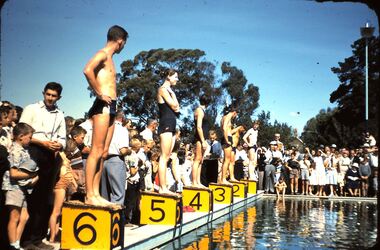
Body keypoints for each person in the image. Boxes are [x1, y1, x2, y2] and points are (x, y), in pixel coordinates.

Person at [83, 25, 128, 206]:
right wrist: (99, 93)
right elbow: (87, 70)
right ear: (120, 41)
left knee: (103, 152)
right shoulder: (102, 54)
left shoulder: (110, 58)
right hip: (102, 105)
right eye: (124, 43)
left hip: (111, 106)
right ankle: (89, 195)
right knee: (95, 151)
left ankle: (96, 194)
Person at [19, 82, 66, 250]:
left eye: (54, 96)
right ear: (43, 93)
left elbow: (63, 139)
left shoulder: (59, 114)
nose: (50, 98)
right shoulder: (31, 109)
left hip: (51, 156)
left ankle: (37, 238)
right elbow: (21, 134)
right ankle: (25, 240)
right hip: (33, 152)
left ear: (59, 97)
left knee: (45, 199)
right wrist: (42, 142)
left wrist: (57, 145)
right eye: (48, 94)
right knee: (31, 198)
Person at [2, 123, 39, 250]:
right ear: (21, 136)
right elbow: (13, 173)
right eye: (30, 137)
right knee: (14, 217)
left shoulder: (23, 150)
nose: (31, 139)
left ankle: (16, 243)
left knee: (25, 216)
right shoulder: (16, 151)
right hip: (14, 188)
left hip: (21, 188)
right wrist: (31, 175)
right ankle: (13, 245)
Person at [156, 69, 180, 194]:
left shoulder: (170, 91)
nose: (177, 79)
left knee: (168, 156)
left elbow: (177, 108)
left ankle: (164, 187)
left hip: (171, 124)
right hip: (165, 123)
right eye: (175, 77)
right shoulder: (162, 89)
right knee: (164, 157)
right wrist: (173, 97)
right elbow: (174, 106)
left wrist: (174, 95)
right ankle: (162, 187)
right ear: (168, 76)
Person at [48, 147, 78, 244]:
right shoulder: (59, 155)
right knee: (55, 212)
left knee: (59, 213)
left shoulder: (63, 155)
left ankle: (55, 234)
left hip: (64, 185)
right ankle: (52, 237)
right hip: (60, 185)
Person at [100, 111, 130, 205]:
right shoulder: (122, 130)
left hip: (103, 160)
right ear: (122, 118)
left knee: (104, 195)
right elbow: (123, 151)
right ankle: (114, 219)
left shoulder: (104, 128)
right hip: (116, 161)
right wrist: (130, 150)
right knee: (118, 195)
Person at [191, 94, 211, 188]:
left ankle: (198, 182)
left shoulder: (202, 110)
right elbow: (199, 127)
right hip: (199, 138)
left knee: (200, 160)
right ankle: (194, 182)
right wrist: (203, 141)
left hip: (203, 138)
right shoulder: (199, 110)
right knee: (197, 159)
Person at [220, 105, 238, 184]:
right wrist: (227, 139)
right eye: (236, 115)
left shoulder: (225, 117)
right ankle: (223, 179)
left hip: (228, 137)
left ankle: (231, 177)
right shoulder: (227, 117)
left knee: (229, 160)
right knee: (226, 160)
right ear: (234, 113)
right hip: (226, 138)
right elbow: (224, 128)